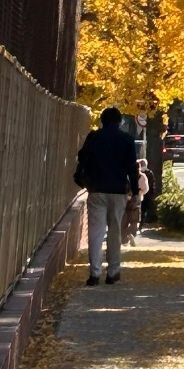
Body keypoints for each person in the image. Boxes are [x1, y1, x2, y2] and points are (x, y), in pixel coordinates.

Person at [75, 107, 140, 286]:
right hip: (118, 191)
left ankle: (94, 273)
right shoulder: (126, 140)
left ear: (102, 121)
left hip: (96, 189)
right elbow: (132, 169)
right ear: (119, 122)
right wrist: (135, 192)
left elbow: (82, 157)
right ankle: (113, 272)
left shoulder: (94, 137)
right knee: (115, 231)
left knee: (95, 233)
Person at [125, 158, 149, 243]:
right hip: (137, 200)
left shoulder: (126, 175)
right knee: (135, 220)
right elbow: (146, 189)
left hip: (126, 199)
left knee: (125, 218)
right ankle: (131, 233)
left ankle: (124, 237)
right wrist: (140, 191)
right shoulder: (142, 176)